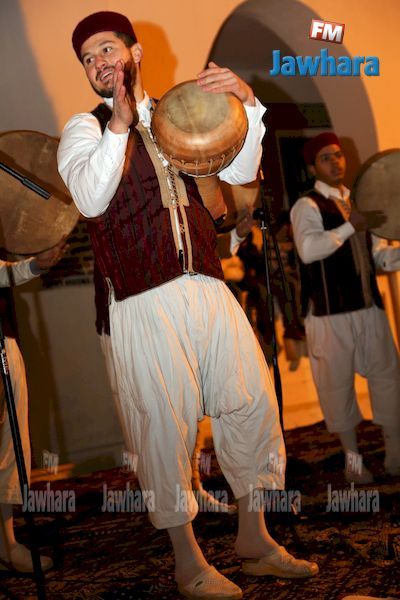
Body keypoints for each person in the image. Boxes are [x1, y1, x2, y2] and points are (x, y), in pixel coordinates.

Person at [58, 12, 318, 599]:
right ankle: (188, 561)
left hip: (207, 282)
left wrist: (247, 105)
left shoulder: (178, 111)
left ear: (135, 52)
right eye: (88, 58)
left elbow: (239, 169)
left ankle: (254, 540)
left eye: (107, 49)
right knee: (162, 427)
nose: (99, 63)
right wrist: (119, 124)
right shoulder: (85, 128)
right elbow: (91, 199)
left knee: (250, 402)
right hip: (142, 299)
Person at [290, 132, 400, 484]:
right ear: (312, 168)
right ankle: (353, 463)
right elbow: (309, 250)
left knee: (388, 379)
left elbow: (379, 257)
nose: (335, 162)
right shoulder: (306, 206)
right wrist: (352, 226)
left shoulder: (360, 201)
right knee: (337, 389)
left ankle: (395, 453)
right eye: (326, 158)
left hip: (369, 309)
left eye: (338, 155)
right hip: (329, 315)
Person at [0, 239, 67, 572]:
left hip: (4, 336)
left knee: (10, 448)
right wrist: (33, 265)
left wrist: (34, 259)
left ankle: (6, 543)